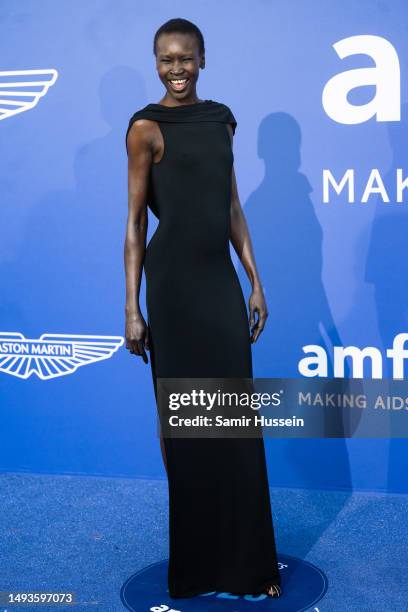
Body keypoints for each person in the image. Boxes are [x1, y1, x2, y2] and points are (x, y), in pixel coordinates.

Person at [124, 17, 282, 599]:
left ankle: (250, 564)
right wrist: (132, 308)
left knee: (235, 422)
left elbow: (231, 205)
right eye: (166, 59)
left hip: (217, 282)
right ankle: (195, 564)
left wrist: (255, 281)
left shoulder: (221, 120)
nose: (177, 68)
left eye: (186, 58)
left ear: (203, 58)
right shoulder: (145, 128)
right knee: (184, 422)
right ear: (156, 62)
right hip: (171, 287)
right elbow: (136, 223)